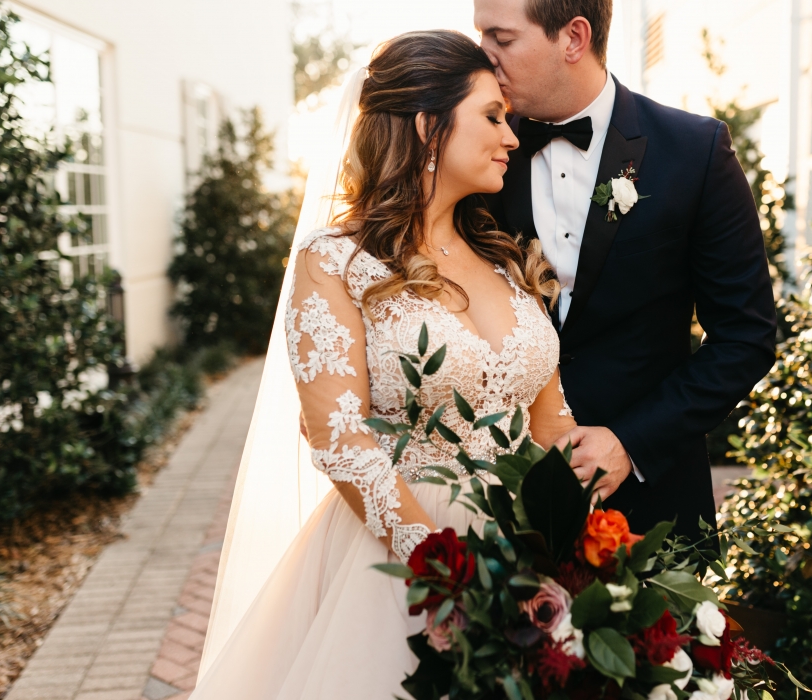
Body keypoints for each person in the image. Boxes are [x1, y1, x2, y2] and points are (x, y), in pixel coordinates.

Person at [190, 31, 577, 698]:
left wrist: (569, 544)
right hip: (400, 557)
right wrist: (450, 577)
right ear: (428, 127)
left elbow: (552, 423)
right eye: (491, 117)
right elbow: (340, 440)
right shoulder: (334, 262)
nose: (510, 138)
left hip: (527, 555)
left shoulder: (503, 257)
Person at [474, 0, 777, 538]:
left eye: (501, 38)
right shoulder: (476, 150)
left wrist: (631, 441)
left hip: (651, 507)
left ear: (573, 38)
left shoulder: (695, 152)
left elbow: (745, 335)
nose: (483, 55)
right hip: (499, 504)